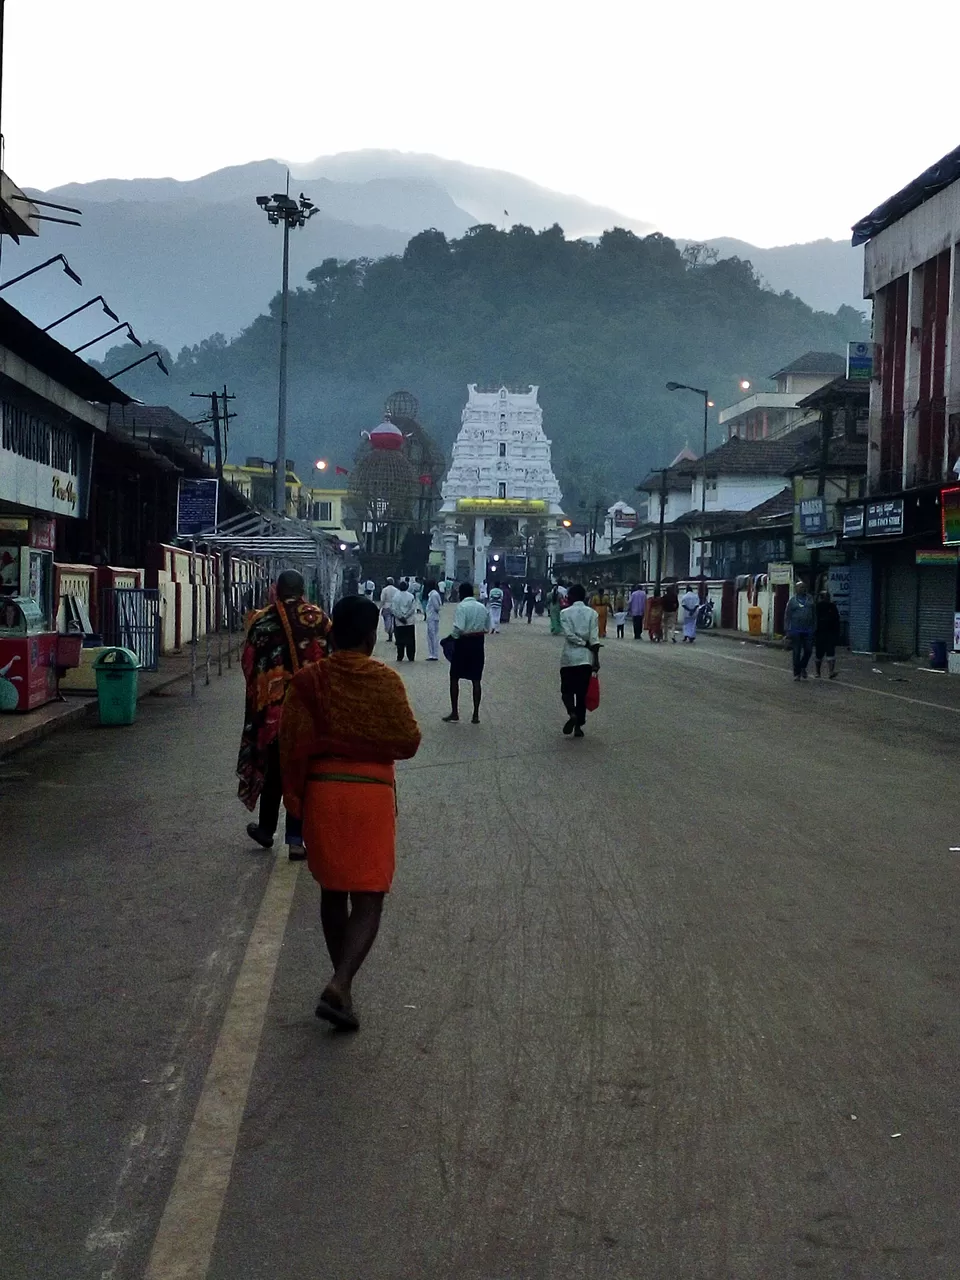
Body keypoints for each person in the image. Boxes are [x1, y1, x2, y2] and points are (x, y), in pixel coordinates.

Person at [280, 596, 421, 1030]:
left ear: (333, 633)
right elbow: (408, 741)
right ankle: (341, 983)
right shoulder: (385, 681)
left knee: (332, 890)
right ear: (369, 636)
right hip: (370, 796)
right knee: (369, 895)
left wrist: (296, 804)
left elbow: (291, 746)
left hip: (323, 794)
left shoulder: (307, 681)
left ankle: (343, 989)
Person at [238, 569, 331, 860]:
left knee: (274, 772)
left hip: (272, 712)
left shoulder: (261, 620)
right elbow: (331, 661)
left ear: (277, 590)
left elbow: (248, 663)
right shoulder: (318, 619)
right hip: (307, 711)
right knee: (301, 773)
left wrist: (262, 693)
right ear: (303, 590)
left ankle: (266, 829)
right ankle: (295, 840)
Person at [443, 582, 489, 724]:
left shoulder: (462, 607)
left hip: (463, 643)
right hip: (478, 644)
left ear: (461, 593)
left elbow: (459, 628)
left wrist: (449, 639)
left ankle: (455, 712)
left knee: (454, 677)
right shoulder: (482, 607)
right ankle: (475, 714)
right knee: (476, 680)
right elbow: (487, 627)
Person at [559, 583, 600, 738]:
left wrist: (582, 643)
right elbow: (595, 639)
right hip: (586, 658)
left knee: (566, 691)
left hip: (569, 658)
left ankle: (571, 713)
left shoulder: (565, 613)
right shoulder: (592, 614)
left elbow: (569, 635)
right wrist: (596, 660)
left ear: (573, 596)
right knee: (582, 693)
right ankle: (578, 726)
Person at [785, 579, 816, 680]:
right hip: (796, 630)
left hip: (808, 630)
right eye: (801, 587)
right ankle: (797, 673)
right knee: (796, 652)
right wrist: (787, 630)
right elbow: (787, 616)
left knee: (808, 650)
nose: (803, 589)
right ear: (796, 589)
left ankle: (803, 666)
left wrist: (815, 627)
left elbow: (814, 614)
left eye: (804, 587)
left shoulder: (810, 599)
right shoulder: (792, 601)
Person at [814, 588, 841, 679]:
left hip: (830, 633)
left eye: (828, 597)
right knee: (819, 654)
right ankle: (818, 672)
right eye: (826, 597)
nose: (827, 599)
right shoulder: (817, 607)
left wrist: (837, 633)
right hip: (820, 634)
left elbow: (837, 620)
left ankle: (831, 672)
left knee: (831, 653)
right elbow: (814, 620)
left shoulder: (832, 607)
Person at [392, 579, 417, 661]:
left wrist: (401, 617)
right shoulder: (411, 596)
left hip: (399, 622)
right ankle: (411, 656)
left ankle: (400, 656)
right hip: (409, 622)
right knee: (410, 640)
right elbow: (413, 608)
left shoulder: (396, 596)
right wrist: (406, 616)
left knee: (399, 640)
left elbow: (394, 609)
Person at [424, 578, 443, 660]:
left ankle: (434, 654)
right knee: (431, 636)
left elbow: (437, 607)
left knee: (433, 636)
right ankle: (432, 653)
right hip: (432, 617)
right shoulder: (433, 594)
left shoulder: (434, 595)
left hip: (433, 617)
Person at [379, 577, 397, 642]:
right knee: (394, 622)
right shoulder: (396, 590)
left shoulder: (384, 590)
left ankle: (390, 636)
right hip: (394, 607)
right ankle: (395, 635)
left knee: (387, 622)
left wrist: (380, 608)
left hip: (386, 607)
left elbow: (382, 600)